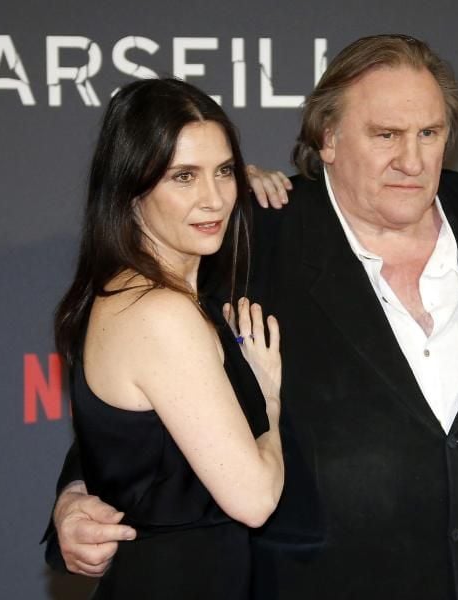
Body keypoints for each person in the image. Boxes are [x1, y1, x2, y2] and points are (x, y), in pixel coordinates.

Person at [46, 35, 458, 599]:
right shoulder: (251, 235)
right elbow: (152, 391)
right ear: (327, 138)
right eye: (386, 135)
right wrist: (76, 492)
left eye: (430, 133)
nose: (413, 160)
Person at [48, 77, 284, 598]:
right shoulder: (159, 312)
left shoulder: (129, 293)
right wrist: (268, 399)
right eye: (183, 176)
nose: (214, 198)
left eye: (224, 171)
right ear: (131, 189)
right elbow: (255, 499)